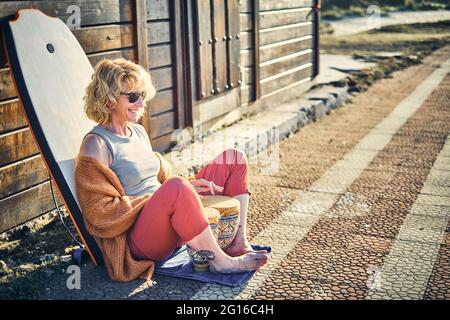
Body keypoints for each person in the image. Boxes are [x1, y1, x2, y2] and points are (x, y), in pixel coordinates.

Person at [75, 58, 269, 281]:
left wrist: (187, 186)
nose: (141, 104)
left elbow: (162, 182)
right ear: (108, 99)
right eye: (133, 97)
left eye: (142, 95)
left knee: (234, 158)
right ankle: (220, 262)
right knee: (177, 187)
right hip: (141, 239)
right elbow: (99, 213)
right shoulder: (95, 143)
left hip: (169, 212)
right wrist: (169, 193)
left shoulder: (137, 132)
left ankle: (237, 241)